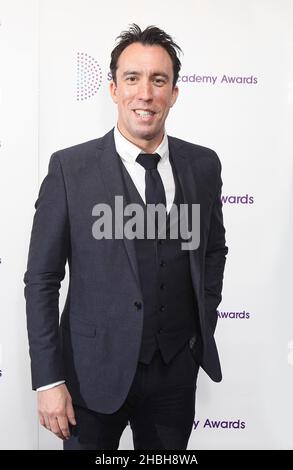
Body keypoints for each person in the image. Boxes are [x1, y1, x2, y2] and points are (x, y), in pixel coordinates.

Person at [24, 24, 228, 450]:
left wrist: (198, 330)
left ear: (174, 92)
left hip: (174, 376)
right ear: (114, 88)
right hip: (89, 379)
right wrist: (48, 379)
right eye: (133, 78)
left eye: (159, 80)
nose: (146, 93)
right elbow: (42, 280)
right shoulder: (70, 170)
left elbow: (213, 251)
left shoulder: (203, 165)